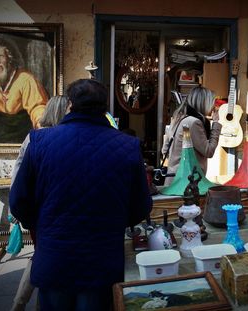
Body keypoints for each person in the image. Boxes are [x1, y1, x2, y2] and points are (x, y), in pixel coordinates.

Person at [9, 79, 152, 310]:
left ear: (70, 105)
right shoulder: (127, 146)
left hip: (55, 256)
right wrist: (113, 223)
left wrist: (46, 224)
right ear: (106, 107)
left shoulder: (40, 141)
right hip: (102, 259)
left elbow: (18, 201)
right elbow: (141, 207)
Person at [10, 95, 70, 311]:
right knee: (41, 257)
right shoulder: (44, 138)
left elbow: (17, 173)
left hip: (39, 209)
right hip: (44, 209)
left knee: (41, 256)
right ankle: (22, 303)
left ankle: (27, 304)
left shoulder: (34, 137)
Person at [0, 45, 49, 143]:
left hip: (19, 132)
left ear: (9, 60)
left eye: (1, 56)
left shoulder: (25, 79)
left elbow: (37, 106)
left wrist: (41, 125)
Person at [161, 86, 222, 186]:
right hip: (187, 182)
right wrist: (216, 124)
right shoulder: (193, 123)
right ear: (204, 103)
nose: (213, 107)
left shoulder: (178, 118)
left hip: (174, 178)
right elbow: (209, 151)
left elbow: (165, 150)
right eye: (212, 103)